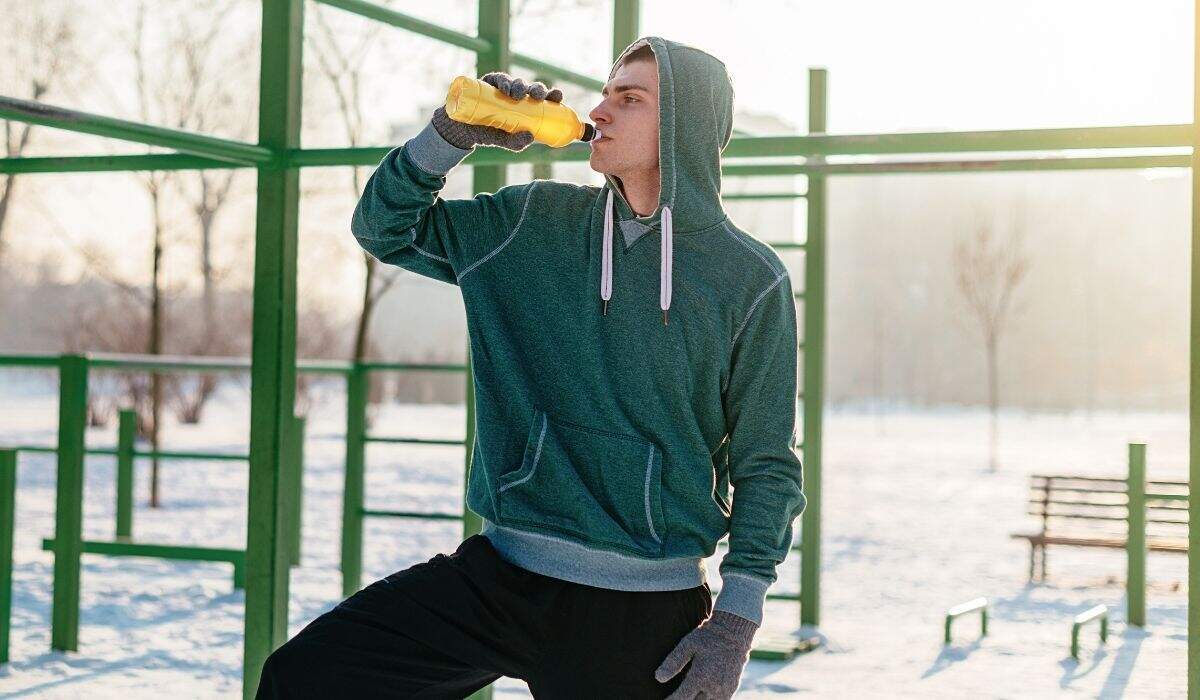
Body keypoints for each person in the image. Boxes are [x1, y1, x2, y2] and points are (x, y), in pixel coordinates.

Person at [256, 35, 805, 699]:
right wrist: (451, 136)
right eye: (604, 93)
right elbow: (385, 229)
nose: (599, 110)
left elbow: (766, 464)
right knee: (304, 680)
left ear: (683, 125)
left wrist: (736, 621)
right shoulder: (530, 224)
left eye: (628, 99)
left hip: (641, 609)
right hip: (499, 576)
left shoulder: (748, 280)